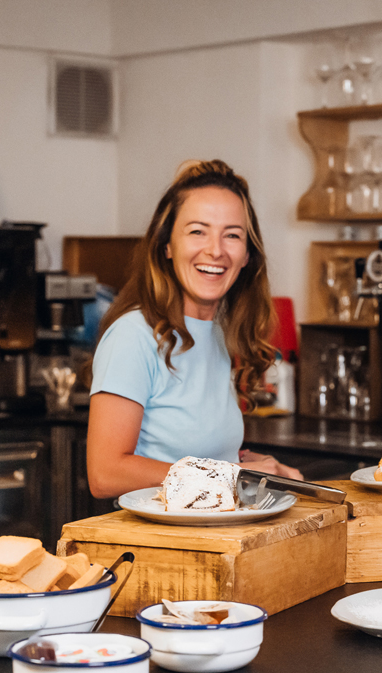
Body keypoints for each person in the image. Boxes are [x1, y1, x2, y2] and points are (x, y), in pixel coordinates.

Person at [87, 160, 302, 499]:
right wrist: (233, 475)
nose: (215, 250)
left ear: (247, 255)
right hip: (154, 531)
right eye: (197, 231)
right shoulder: (133, 335)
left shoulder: (217, 333)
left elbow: (191, 456)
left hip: (213, 526)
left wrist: (254, 465)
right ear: (167, 246)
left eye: (232, 235)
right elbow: (106, 473)